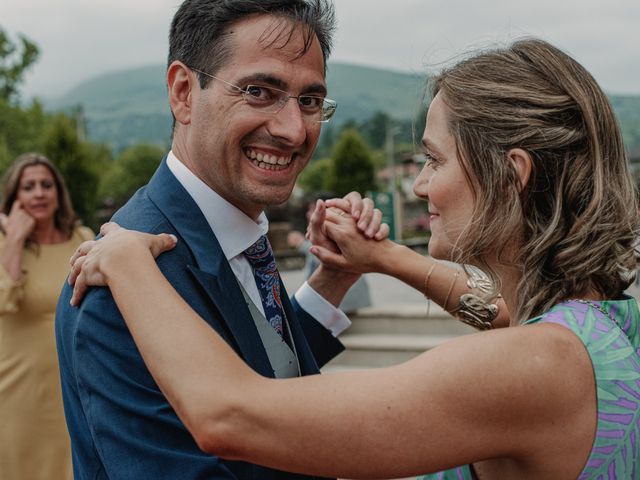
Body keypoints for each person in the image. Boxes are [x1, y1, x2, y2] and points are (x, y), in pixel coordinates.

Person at [69, 38, 639, 479]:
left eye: (434, 160)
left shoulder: (532, 369)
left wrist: (126, 262)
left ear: (511, 176)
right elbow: (499, 308)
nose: (418, 185)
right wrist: (377, 260)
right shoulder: (594, 327)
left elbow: (228, 415)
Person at [55, 1, 387, 479]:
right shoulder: (120, 285)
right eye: (258, 91)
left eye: (310, 101)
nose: (293, 130)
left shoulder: (232, 225)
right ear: (184, 92)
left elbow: (258, 360)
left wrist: (332, 280)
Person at [0, 153, 94, 480]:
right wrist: (12, 239)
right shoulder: (4, 243)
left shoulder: (83, 239)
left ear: (58, 193)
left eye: (46, 185)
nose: (39, 193)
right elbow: (3, 299)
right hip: (17, 392)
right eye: (28, 187)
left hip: (76, 381)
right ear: (15, 197)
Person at [288, 194, 373, 314]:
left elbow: (322, 255)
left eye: (312, 209)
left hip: (343, 304)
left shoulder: (335, 231)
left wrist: (302, 244)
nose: (308, 214)